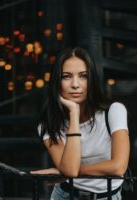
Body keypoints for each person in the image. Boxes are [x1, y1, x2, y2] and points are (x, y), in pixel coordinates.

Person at [31, 47, 130, 200]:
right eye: (66, 77)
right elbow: (69, 170)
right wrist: (74, 114)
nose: (75, 84)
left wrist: (72, 172)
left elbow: (118, 166)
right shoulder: (48, 123)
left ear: (92, 80)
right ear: (57, 82)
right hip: (65, 195)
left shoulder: (114, 112)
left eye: (83, 76)